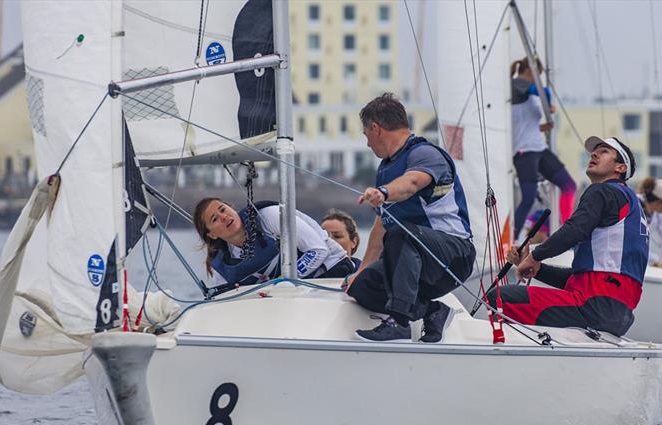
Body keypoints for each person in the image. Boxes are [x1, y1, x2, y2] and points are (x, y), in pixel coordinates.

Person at [346, 93, 476, 343]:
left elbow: (412, 183)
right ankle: (434, 312)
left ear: (376, 128)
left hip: (453, 257)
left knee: (401, 233)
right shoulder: (385, 168)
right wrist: (359, 271)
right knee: (361, 287)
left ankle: (400, 324)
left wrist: (383, 192)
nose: (367, 144)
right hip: (413, 258)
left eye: (366, 135)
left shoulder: (426, 154)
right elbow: (379, 228)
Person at [487, 136, 648, 336]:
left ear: (620, 168)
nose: (594, 153)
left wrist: (535, 256)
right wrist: (536, 268)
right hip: (617, 315)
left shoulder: (603, 191)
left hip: (594, 306)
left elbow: (575, 230)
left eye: (604, 151)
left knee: (500, 298)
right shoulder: (630, 203)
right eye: (594, 150)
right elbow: (579, 279)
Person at [193, 197, 354, 287]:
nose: (224, 217)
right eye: (215, 219)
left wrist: (281, 281)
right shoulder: (223, 266)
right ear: (212, 235)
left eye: (223, 209)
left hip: (333, 271)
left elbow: (319, 250)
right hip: (292, 292)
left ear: (232, 208)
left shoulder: (270, 216)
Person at [510, 57, 576, 240]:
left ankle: (567, 231)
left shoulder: (529, 93)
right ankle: (512, 238)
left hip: (539, 147)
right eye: (538, 76)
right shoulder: (516, 85)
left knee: (569, 186)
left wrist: (540, 127)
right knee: (528, 197)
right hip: (524, 152)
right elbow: (543, 91)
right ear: (531, 72)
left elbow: (523, 122)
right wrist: (546, 102)